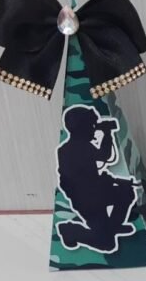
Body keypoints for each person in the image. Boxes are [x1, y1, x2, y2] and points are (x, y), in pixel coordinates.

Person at [55, 105, 138, 252]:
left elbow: (96, 170)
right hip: (86, 200)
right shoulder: (73, 149)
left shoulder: (83, 146)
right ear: (82, 128)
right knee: (107, 244)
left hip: (96, 192)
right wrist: (107, 133)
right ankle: (69, 230)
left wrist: (116, 182)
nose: (94, 129)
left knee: (126, 193)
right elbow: (105, 156)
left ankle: (112, 227)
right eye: (92, 126)